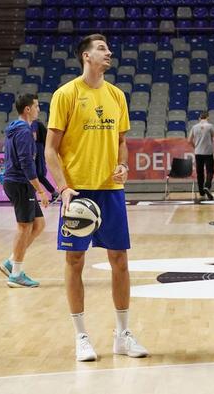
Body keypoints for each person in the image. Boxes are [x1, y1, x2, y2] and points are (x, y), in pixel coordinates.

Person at [45, 33, 148, 362]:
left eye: (108, 49)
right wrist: (63, 188)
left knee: (120, 261)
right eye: (102, 49)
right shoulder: (66, 95)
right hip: (78, 193)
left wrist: (122, 165)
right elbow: (50, 150)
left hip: (111, 191)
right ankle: (82, 337)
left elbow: (122, 141)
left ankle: (122, 334)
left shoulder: (117, 95)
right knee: (75, 262)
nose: (109, 53)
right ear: (85, 57)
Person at [0, 93, 49, 288]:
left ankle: (11, 262)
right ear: (27, 109)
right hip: (20, 183)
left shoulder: (16, 129)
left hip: (18, 182)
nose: (38, 109)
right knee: (24, 226)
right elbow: (27, 163)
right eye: (36, 106)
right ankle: (16, 274)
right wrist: (41, 191)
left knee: (39, 224)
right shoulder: (24, 132)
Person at [187, 111, 214, 200]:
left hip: (198, 152)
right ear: (207, 118)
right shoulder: (210, 126)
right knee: (210, 171)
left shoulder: (194, 127)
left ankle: (201, 192)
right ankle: (207, 186)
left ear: (199, 118)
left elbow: (189, 140)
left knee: (199, 172)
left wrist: (195, 147)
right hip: (208, 152)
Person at [32, 120, 59, 202]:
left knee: (37, 175)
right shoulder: (38, 123)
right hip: (40, 148)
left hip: (37, 148)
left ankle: (31, 197)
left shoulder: (34, 123)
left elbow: (34, 137)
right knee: (37, 175)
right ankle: (32, 197)